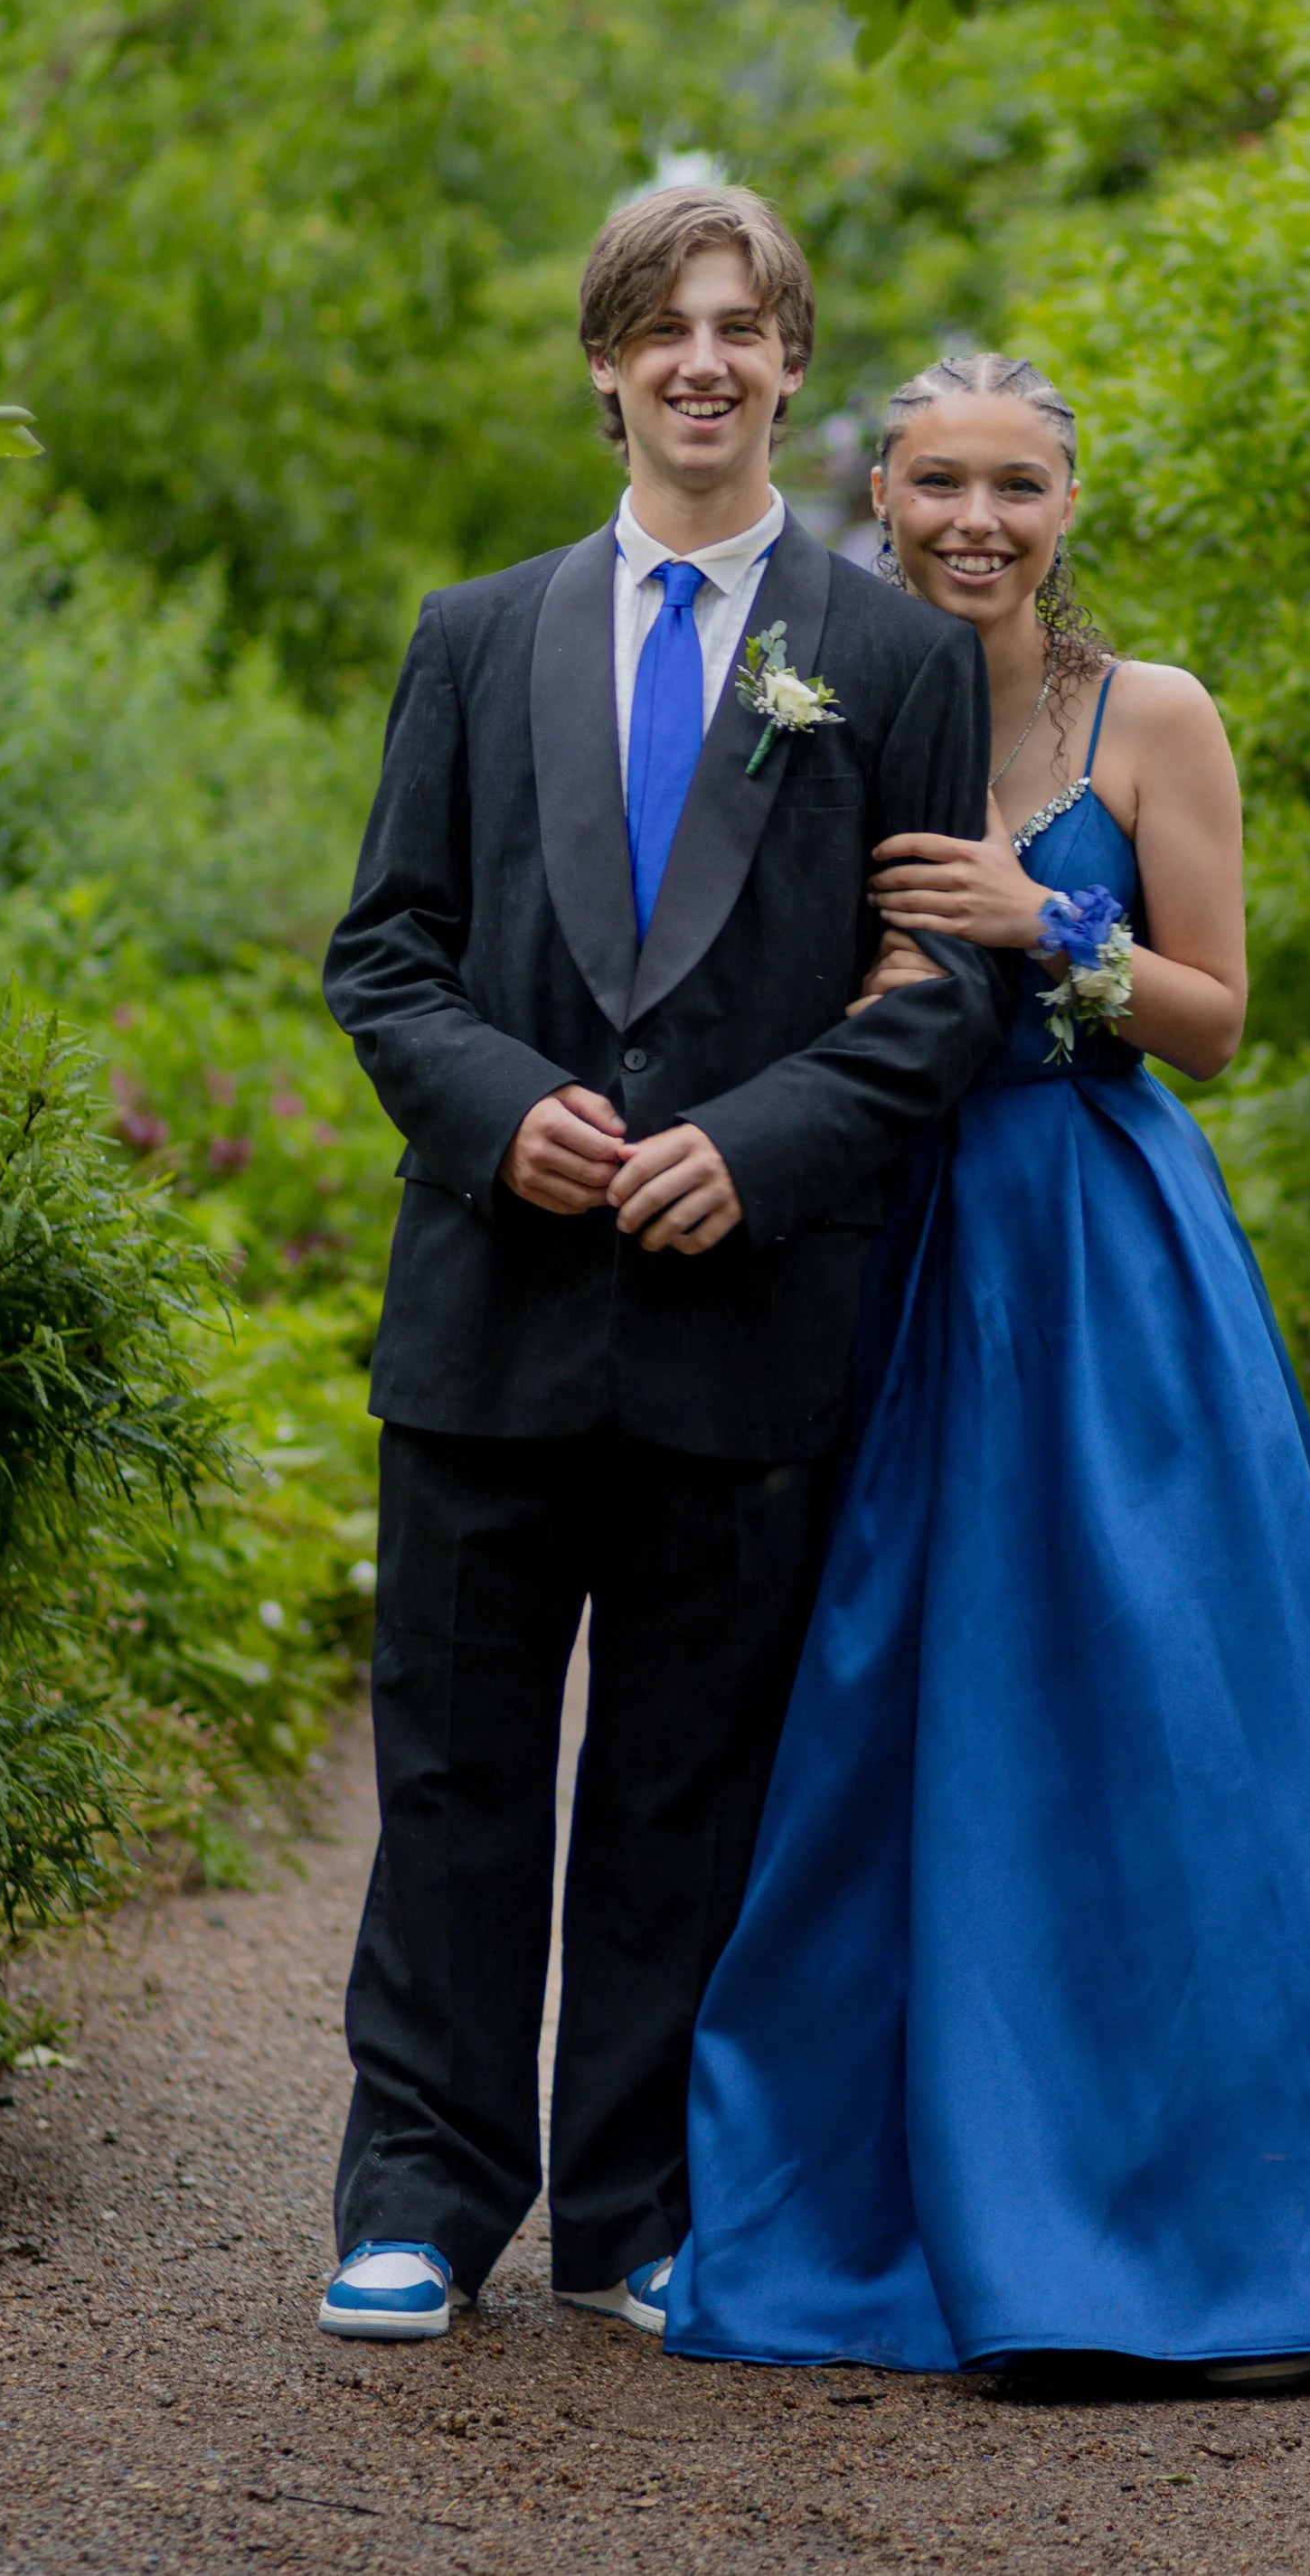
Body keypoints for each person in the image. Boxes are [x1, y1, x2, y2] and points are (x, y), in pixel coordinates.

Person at [666, 353, 1310, 2375]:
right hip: (872, 1245)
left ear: (1065, 503)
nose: (971, 521)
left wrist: (1048, 927)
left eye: (1012, 485)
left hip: (1093, 1253)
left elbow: (1210, 1020)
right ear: (879, 495)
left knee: (1157, 1701)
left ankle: (1207, 2187)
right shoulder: (814, 692)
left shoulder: (1152, 716)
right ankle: (870, 2182)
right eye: (933, 483)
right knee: (871, 1716)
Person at [314, 194, 1011, 2344]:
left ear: (795, 369)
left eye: (742, 329)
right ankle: (419, 2194)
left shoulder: (886, 662)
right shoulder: (472, 633)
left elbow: (933, 995)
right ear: (603, 365)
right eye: (660, 329)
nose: (701, 362)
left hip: (742, 1326)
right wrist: (490, 1108)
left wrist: (761, 1142)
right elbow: (384, 953)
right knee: (449, 1770)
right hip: (487, 1318)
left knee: (682, 1791)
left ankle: (635, 2208)